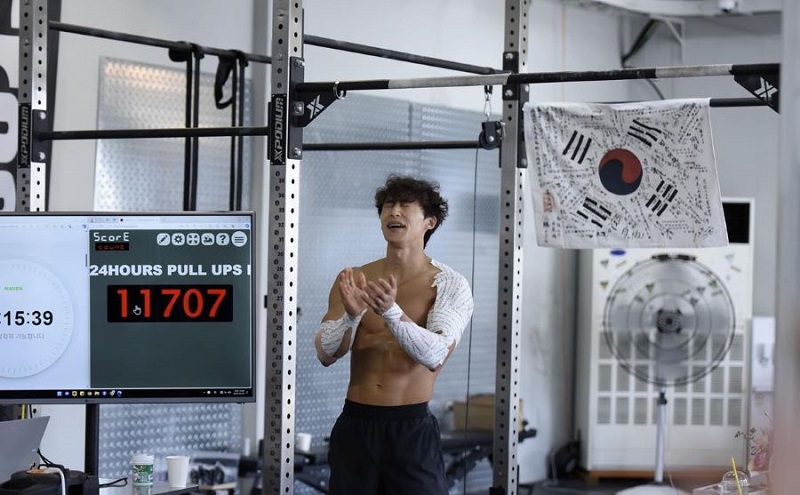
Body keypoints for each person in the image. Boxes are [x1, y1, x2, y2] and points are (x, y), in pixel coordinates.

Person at [314, 174, 474, 495]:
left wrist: (390, 311)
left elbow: (435, 354)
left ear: (429, 222)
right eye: (388, 205)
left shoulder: (449, 284)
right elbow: (325, 353)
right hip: (356, 425)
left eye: (405, 205)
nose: (394, 212)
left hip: (411, 429)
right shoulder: (355, 278)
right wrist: (351, 316)